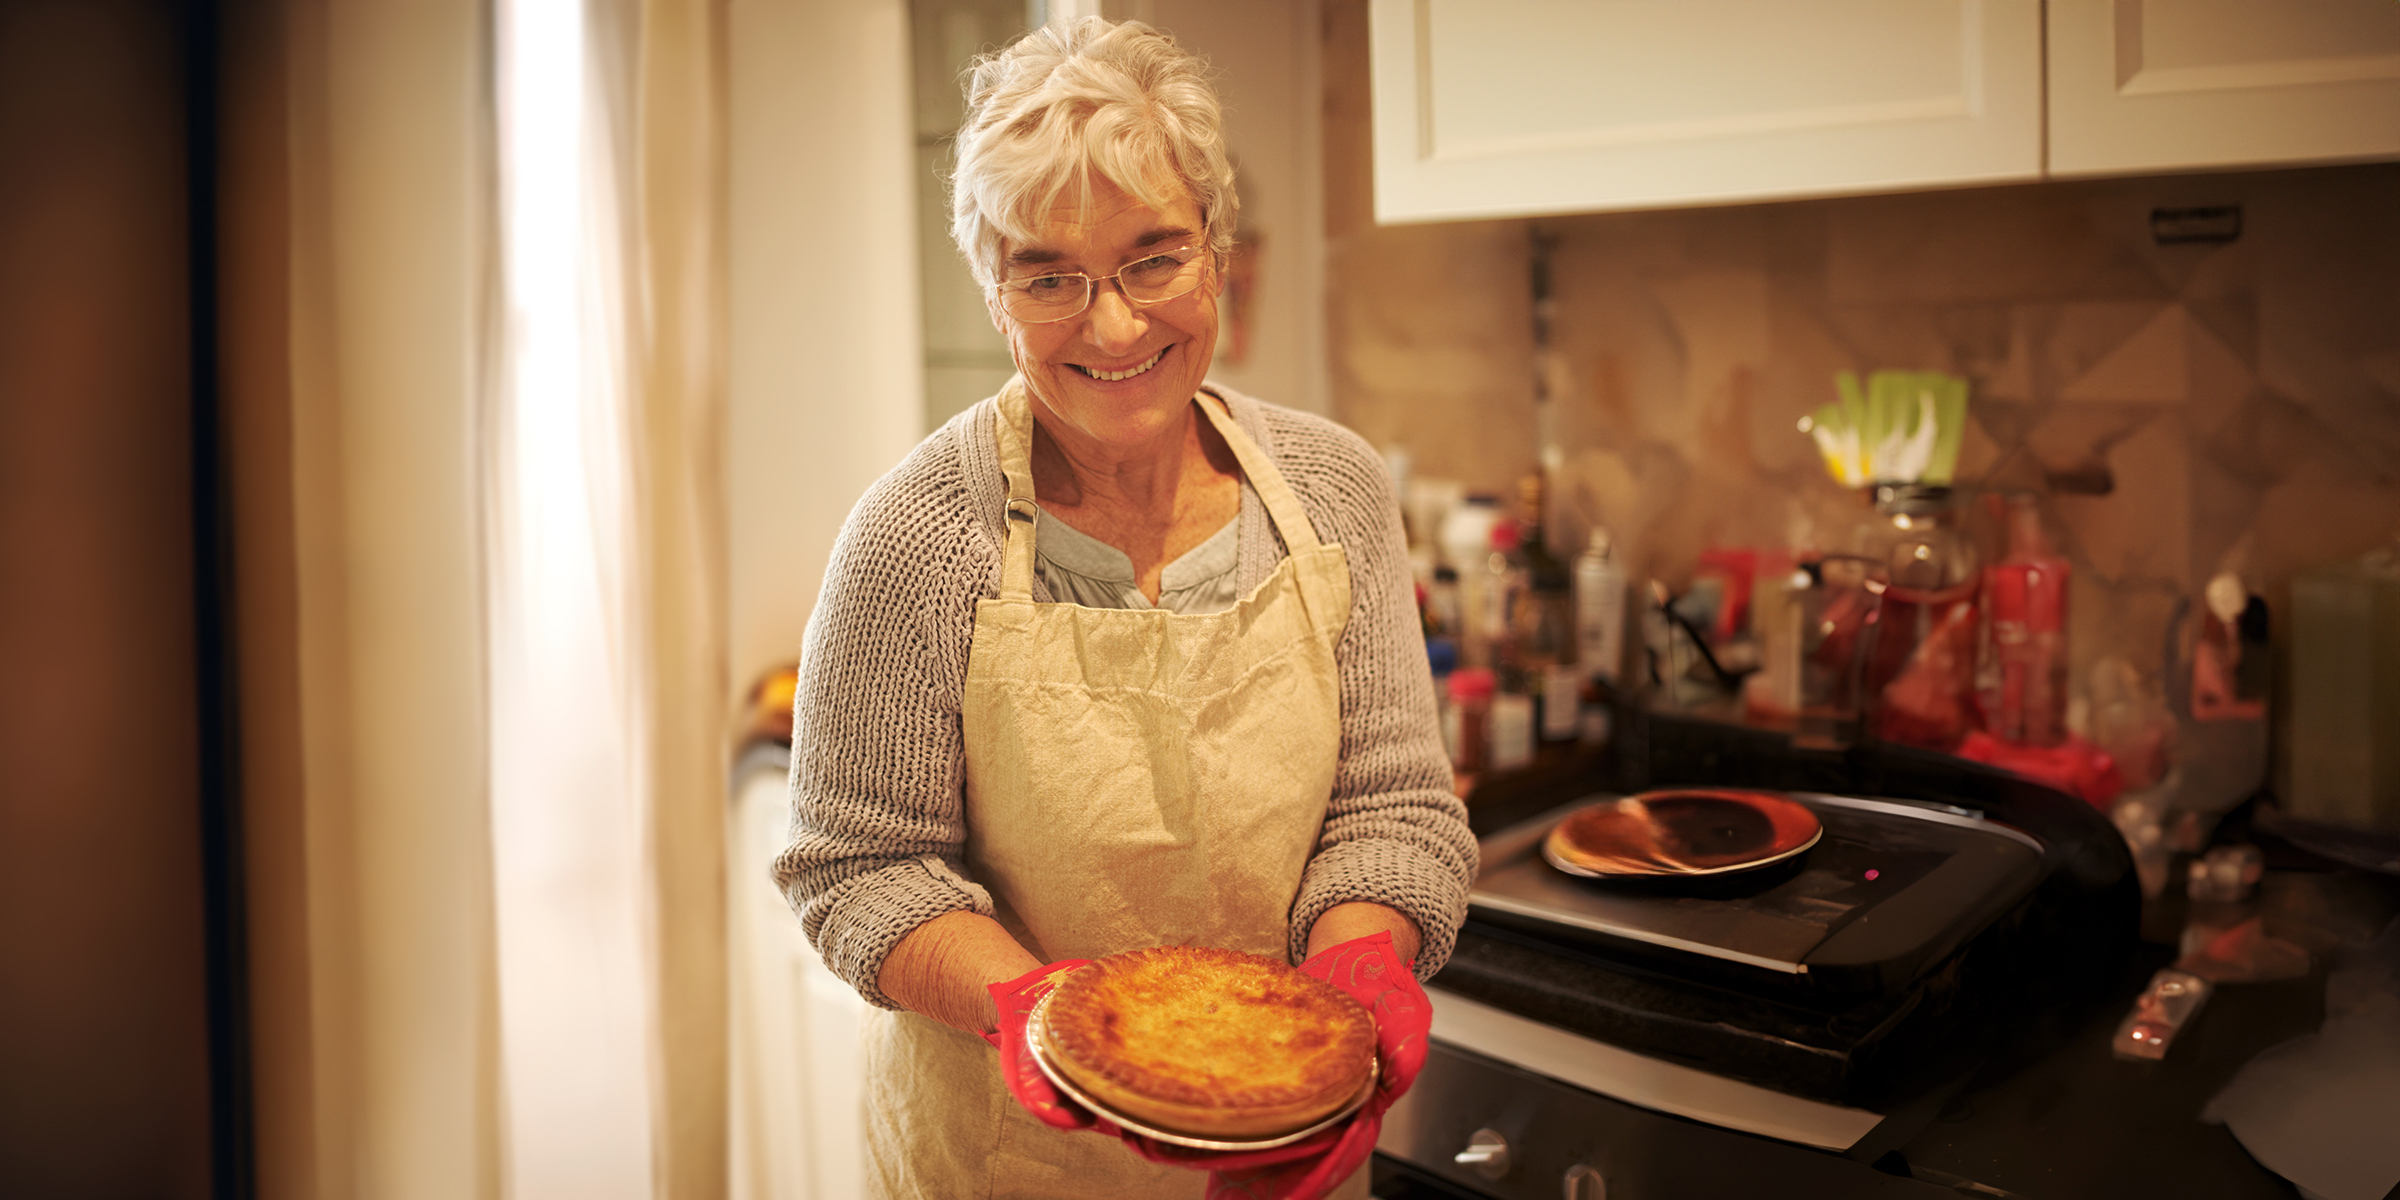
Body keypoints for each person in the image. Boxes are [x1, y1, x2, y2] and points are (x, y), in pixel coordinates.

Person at [775, 16, 1474, 1199]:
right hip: (1007, 1159)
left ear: (1218, 252)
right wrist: (1037, 1016)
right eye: (1049, 275)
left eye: (1153, 257)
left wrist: (1357, 979)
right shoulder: (913, 539)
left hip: (1284, 1133)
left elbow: (1390, 805)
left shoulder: (1336, 490)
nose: (1111, 324)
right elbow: (859, 868)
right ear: (995, 293)